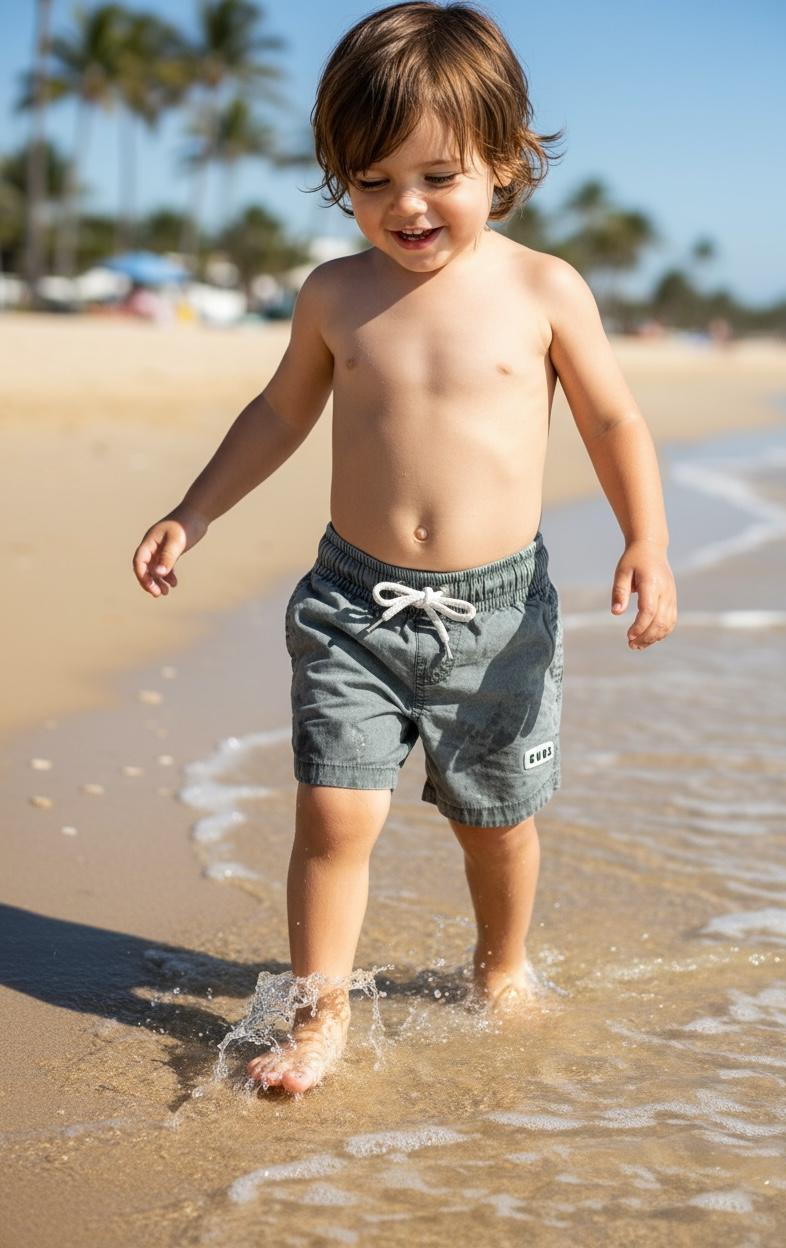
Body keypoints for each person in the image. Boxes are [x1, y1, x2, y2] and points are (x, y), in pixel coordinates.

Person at [132, 1, 677, 1096]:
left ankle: (501, 968)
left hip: (498, 613)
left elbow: (613, 420)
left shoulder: (542, 289)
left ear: (506, 160)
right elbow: (280, 415)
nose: (404, 207)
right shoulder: (335, 294)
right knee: (335, 813)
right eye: (370, 180)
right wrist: (194, 510)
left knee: (496, 825)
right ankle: (318, 1013)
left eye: (436, 175)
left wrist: (645, 539)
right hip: (352, 607)